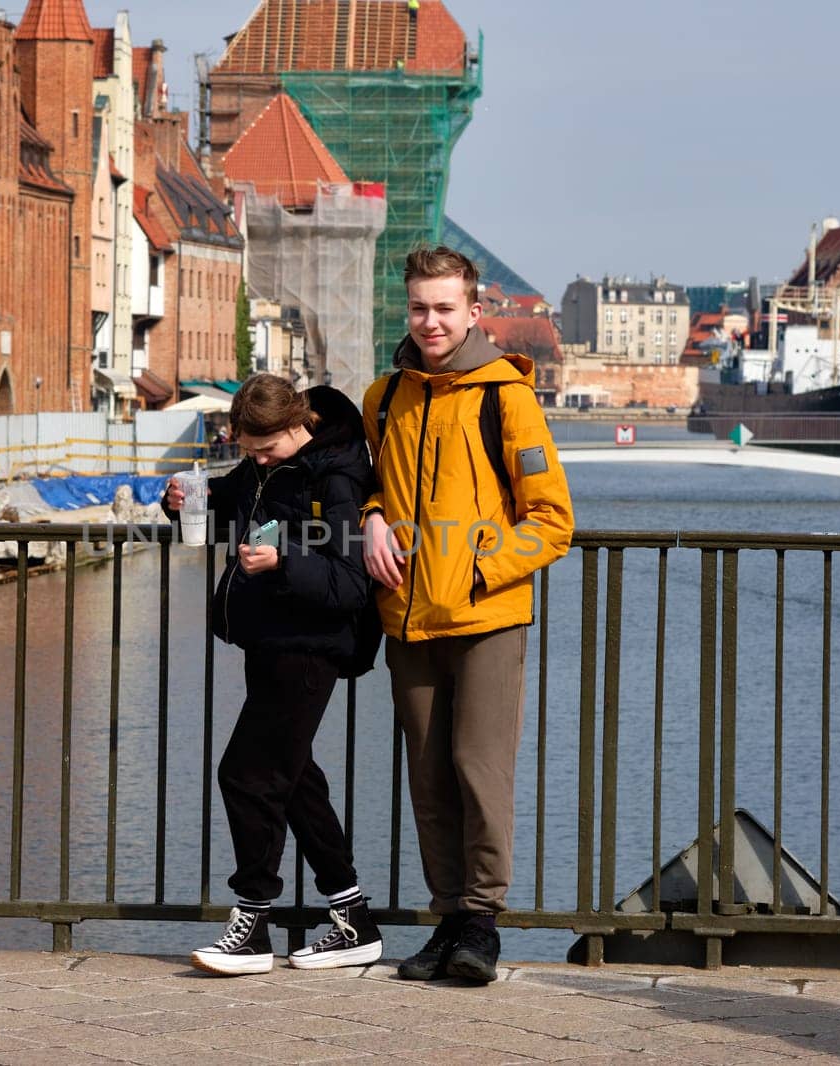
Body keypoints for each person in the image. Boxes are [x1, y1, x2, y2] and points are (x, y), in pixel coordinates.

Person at [361, 246, 574, 983]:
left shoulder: (505, 397)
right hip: (408, 617)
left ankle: (481, 925)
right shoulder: (383, 397)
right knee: (428, 777)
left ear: (474, 312)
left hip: (484, 616)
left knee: (477, 770)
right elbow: (377, 486)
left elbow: (552, 520)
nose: (431, 321)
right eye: (420, 307)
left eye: (445, 308)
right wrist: (368, 517)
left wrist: (480, 568)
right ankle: (447, 919)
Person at [164, 374, 382, 976]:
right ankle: (354, 920)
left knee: (245, 775)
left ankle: (253, 924)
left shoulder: (336, 476)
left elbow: (351, 583)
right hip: (270, 643)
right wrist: (180, 502)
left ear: (298, 424)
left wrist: (286, 560)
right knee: (294, 781)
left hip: (311, 649)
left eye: (265, 449)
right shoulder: (263, 465)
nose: (256, 460)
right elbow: (231, 503)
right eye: (247, 451)